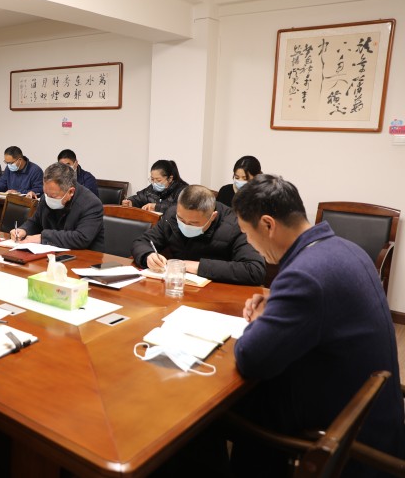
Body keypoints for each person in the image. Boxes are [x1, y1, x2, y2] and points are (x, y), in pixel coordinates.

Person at [230, 174, 405, 477]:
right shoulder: (346, 249)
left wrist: (259, 321)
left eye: (246, 233)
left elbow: (251, 357)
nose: (248, 243)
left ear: (268, 225)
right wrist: (276, 305)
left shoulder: (305, 275)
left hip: (345, 440)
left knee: (213, 413)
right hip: (375, 417)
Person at [132, 184, 265, 285]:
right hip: (177, 287)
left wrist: (198, 266)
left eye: (193, 223)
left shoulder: (236, 225)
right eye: (181, 219)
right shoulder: (172, 215)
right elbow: (141, 242)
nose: (185, 225)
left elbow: (255, 270)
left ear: (213, 216)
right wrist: (147, 256)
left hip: (217, 294)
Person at [11, 162, 104, 251]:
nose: (48, 198)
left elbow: (81, 238)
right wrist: (23, 230)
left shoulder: (91, 204)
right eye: (46, 193)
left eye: (53, 196)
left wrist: (42, 237)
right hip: (51, 253)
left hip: (84, 257)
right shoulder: (46, 197)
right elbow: (36, 221)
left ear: (70, 192)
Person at [122, 159, 187, 213]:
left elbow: (181, 209)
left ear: (170, 179)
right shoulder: (152, 188)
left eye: (158, 180)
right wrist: (131, 202)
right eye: (152, 179)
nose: (154, 183)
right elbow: (139, 198)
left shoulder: (183, 191)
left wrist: (156, 207)